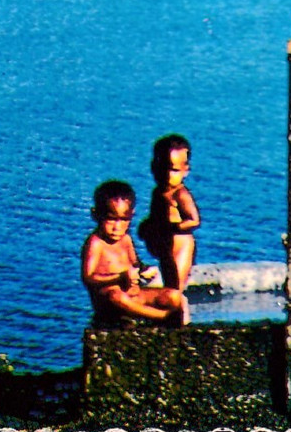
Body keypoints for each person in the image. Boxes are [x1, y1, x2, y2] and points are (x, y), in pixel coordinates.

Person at [81, 180, 185, 326]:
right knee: (116, 297)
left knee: (173, 296)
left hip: (133, 294)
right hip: (111, 302)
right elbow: (89, 277)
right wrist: (119, 277)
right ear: (96, 215)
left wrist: (144, 270)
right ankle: (162, 316)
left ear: (131, 215)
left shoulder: (126, 240)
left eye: (124, 220)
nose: (117, 227)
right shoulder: (96, 242)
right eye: (111, 220)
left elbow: (135, 263)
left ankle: (148, 314)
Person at [139, 134, 201, 291]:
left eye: (174, 170)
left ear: (185, 170)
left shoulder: (180, 194)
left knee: (176, 287)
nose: (167, 175)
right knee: (168, 284)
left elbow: (194, 220)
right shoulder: (158, 192)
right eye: (162, 169)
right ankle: (169, 311)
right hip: (165, 245)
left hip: (180, 243)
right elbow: (156, 215)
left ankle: (179, 312)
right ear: (153, 167)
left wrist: (172, 227)